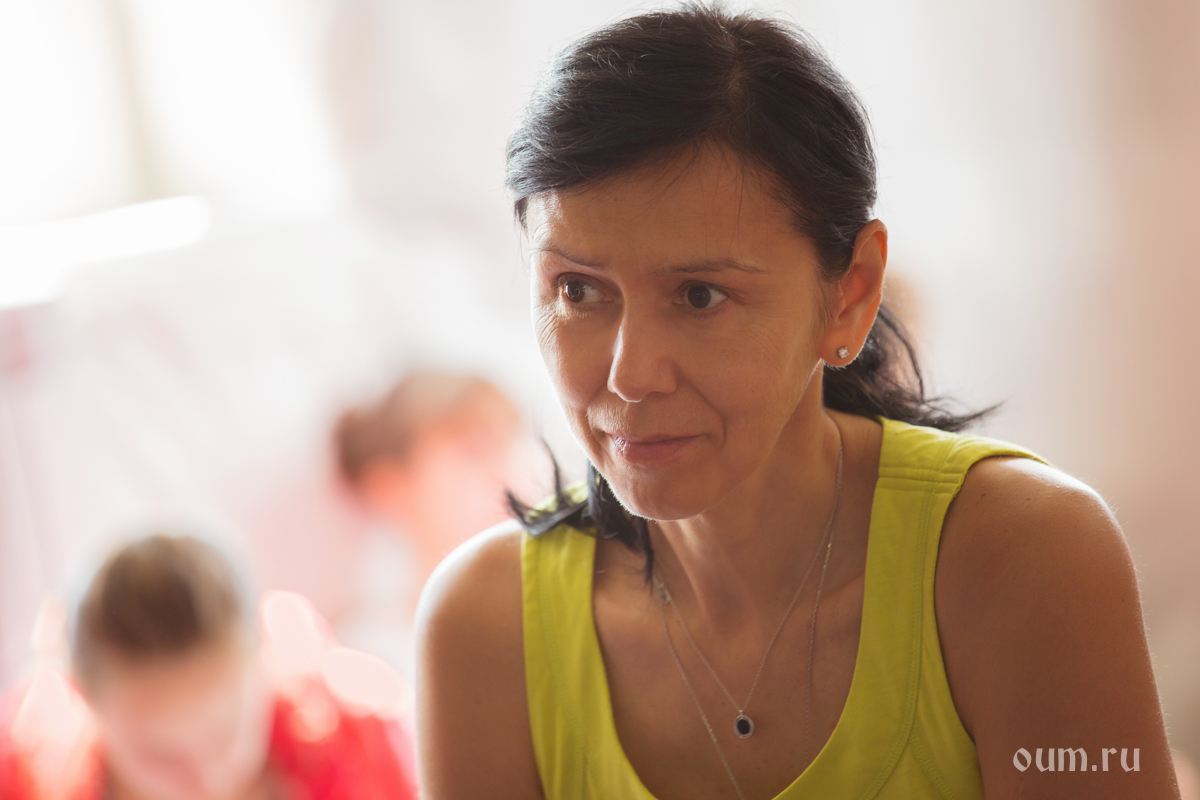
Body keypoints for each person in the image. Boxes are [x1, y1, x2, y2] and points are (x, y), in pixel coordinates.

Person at [414, 5, 1181, 800]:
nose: (631, 375)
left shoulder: (1020, 561)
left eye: (700, 295)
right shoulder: (488, 628)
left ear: (850, 295)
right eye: (577, 290)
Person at [0, 534, 418, 800]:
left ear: (264, 660)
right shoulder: (23, 783)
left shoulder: (366, 744)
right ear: (82, 699)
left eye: (226, 734)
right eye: (160, 757)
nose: (210, 782)